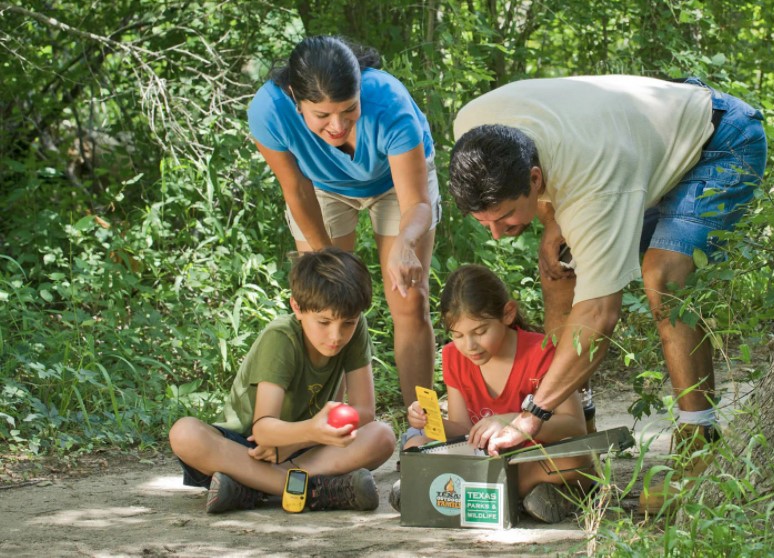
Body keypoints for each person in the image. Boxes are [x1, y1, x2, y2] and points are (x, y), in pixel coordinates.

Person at [449, 75, 767, 514]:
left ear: (535, 179)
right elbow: (553, 153)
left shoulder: (597, 183)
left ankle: (699, 446)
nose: (498, 236)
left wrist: (528, 416)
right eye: (484, 223)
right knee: (559, 266)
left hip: (717, 142)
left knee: (664, 275)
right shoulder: (472, 131)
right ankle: (574, 427)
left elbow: (600, 316)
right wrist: (552, 222)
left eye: (504, 218)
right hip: (632, 150)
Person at [248, 35, 439, 408]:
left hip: (393, 185)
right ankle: (328, 428)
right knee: (324, 302)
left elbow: (417, 202)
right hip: (321, 185)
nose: (337, 126)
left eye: (349, 110)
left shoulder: (388, 102)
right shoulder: (268, 110)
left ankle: (424, 429)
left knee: (410, 299)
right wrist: (328, 263)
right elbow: (297, 191)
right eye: (321, 115)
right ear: (296, 99)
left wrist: (405, 241)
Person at [169, 247, 396, 514]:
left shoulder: (355, 329)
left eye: (348, 322)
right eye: (323, 322)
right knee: (185, 433)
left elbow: (365, 411)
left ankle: (251, 487)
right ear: (297, 307)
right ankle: (315, 491)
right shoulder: (281, 337)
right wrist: (309, 431)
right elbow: (263, 429)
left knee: (382, 436)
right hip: (250, 447)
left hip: (306, 447)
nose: (336, 335)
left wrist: (302, 439)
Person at [389, 264, 589, 523]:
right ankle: (526, 496)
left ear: (507, 314)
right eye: (458, 335)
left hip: (531, 458)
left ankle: (437, 490)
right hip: (482, 459)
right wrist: (430, 421)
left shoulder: (542, 352)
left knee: (576, 460)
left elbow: (574, 426)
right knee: (415, 445)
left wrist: (511, 420)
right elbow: (462, 427)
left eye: (480, 331)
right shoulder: (454, 356)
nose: (469, 346)